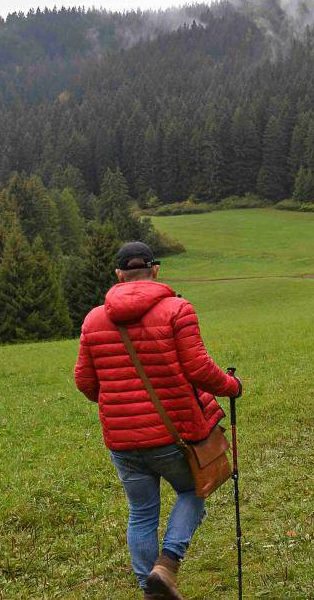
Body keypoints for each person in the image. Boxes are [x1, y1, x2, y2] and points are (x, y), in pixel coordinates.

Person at [73, 241, 242, 600]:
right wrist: (232, 386)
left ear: (118, 275)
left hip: (122, 440)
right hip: (173, 434)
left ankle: (150, 591)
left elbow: (86, 383)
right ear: (155, 270)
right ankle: (166, 565)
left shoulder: (93, 319)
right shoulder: (177, 309)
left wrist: (119, 404)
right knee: (194, 490)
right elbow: (199, 369)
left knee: (141, 512)